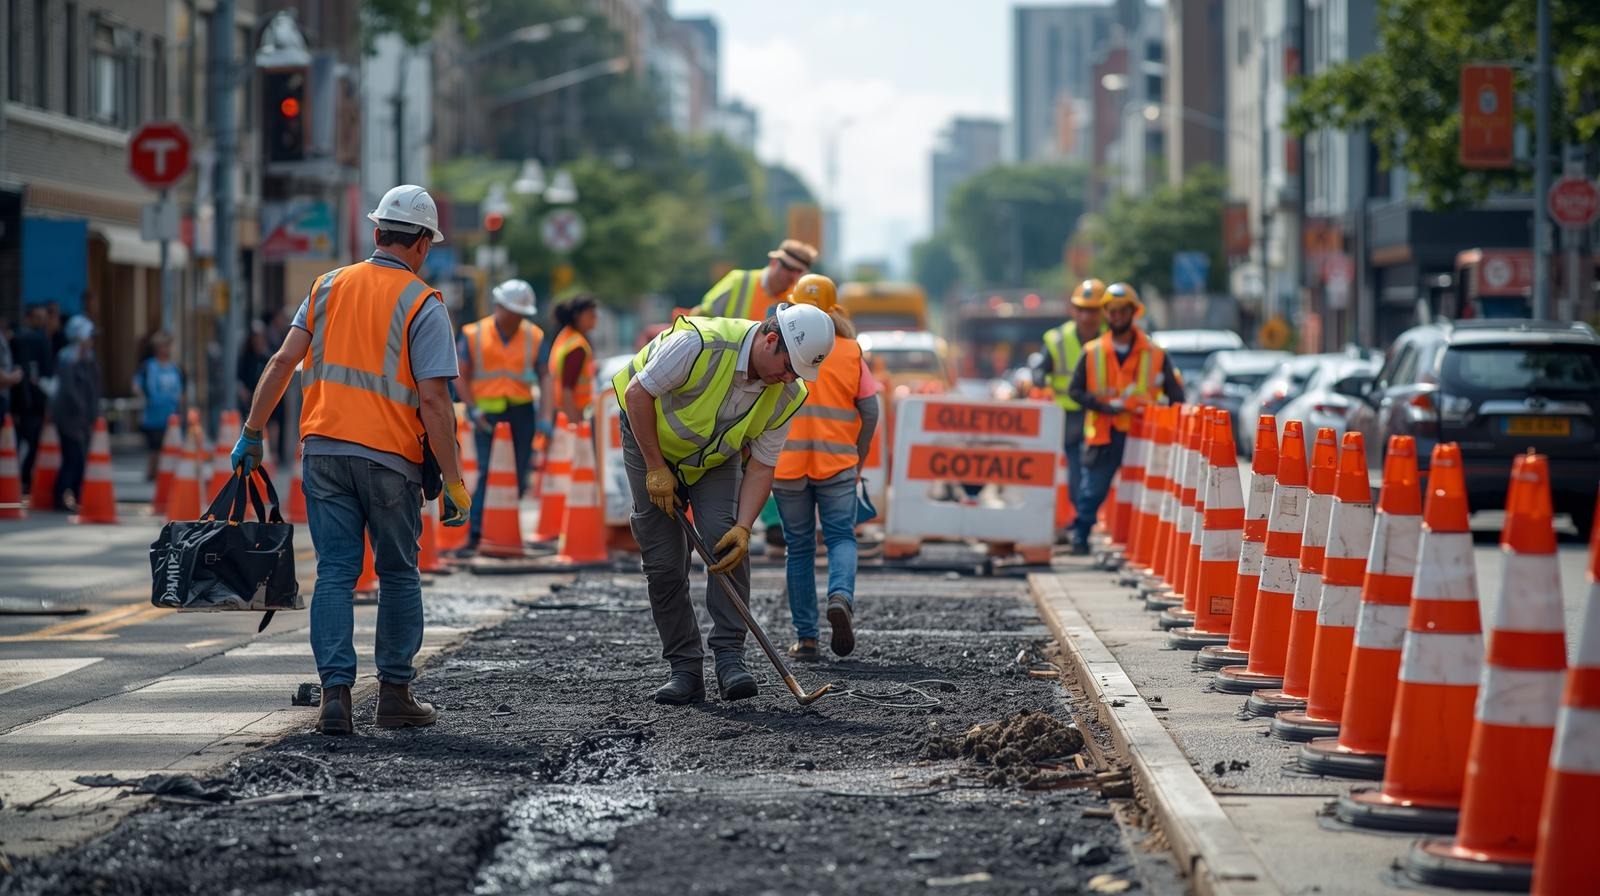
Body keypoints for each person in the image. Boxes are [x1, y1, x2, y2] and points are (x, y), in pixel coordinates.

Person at [230, 183, 470, 737]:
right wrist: (454, 481)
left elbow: (283, 361)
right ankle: (394, 695)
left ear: (378, 232)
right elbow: (435, 401)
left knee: (336, 573)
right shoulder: (423, 303)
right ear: (423, 244)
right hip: (390, 460)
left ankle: (335, 698)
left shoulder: (326, 286)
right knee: (397, 573)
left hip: (323, 452)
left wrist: (252, 432)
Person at [615, 302, 836, 704]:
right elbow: (637, 394)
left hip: (714, 458)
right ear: (771, 340)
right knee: (664, 562)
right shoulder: (699, 345)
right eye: (789, 366)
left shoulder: (787, 392)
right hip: (649, 441)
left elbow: (762, 465)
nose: (790, 378)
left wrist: (745, 527)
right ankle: (685, 669)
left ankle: (731, 660)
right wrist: (656, 468)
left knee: (726, 540)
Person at [771, 275, 879, 662]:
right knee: (841, 538)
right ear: (835, 309)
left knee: (799, 548)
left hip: (787, 465)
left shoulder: (780, 347)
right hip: (837, 463)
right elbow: (871, 411)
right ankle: (840, 597)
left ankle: (807, 639)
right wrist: (857, 458)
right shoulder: (850, 350)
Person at [1065, 283, 1185, 554]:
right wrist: (1102, 407)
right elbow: (1075, 391)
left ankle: (1146, 547)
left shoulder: (1155, 353)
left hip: (1142, 437)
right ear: (1105, 313)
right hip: (1105, 434)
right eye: (1112, 311)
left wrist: (1169, 426)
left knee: (1146, 494)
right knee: (1093, 491)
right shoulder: (1093, 351)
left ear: (1133, 312)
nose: (1117, 316)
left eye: (1122, 311)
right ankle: (1080, 536)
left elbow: (1176, 395)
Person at [453, 278, 544, 557]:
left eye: (521, 313)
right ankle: (476, 534)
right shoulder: (474, 333)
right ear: (499, 307)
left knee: (518, 473)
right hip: (487, 413)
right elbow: (460, 374)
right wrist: (472, 408)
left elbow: (546, 376)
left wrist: (546, 416)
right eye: (513, 312)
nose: (517, 318)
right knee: (487, 472)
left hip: (522, 412)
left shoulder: (534, 335)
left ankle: (504, 531)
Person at [1035, 279, 1107, 539]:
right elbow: (1040, 370)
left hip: (1102, 413)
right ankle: (1081, 516)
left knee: (1098, 468)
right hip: (1070, 413)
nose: (1088, 316)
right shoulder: (1057, 339)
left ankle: (1085, 516)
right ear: (1074, 310)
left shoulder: (1110, 339)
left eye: (1094, 310)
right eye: (1083, 310)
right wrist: (1039, 379)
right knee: (1078, 465)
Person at [692, 239, 817, 321]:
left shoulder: (796, 301)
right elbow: (703, 315)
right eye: (789, 267)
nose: (792, 276)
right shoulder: (739, 281)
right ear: (773, 262)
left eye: (799, 272)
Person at [50, 315, 101, 511]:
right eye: (89, 336)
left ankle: (77, 495)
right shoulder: (68, 357)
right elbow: (69, 390)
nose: (92, 341)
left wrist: (94, 413)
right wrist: (83, 411)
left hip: (83, 418)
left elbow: (93, 388)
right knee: (73, 458)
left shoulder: (88, 358)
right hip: (69, 418)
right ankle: (60, 495)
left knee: (79, 458)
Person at [10, 304, 56, 487]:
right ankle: (22, 478)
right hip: (26, 402)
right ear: (28, 318)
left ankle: (23, 478)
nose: (42, 322)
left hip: (36, 401)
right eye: (38, 317)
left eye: (44, 318)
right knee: (26, 442)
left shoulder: (42, 340)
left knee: (32, 442)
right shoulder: (24, 340)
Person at [132, 331, 184, 481]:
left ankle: (165, 476)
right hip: (153, 417)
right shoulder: (149, 366)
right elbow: (136, 385)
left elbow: (180, 391)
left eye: (168, 346)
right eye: (163, 346)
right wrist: (142, 396)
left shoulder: (174, 368)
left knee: (169, 450)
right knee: (154, 449)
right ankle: (152, 474)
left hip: (171, 416)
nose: (166, 349)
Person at [547, 294, 598, 425]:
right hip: (573, 413)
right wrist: (574, 424)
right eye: (590, 314)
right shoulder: (576, 346)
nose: (595, 317)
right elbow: (567, 389)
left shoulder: (566, 336)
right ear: (577, 316)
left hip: (561, 412)